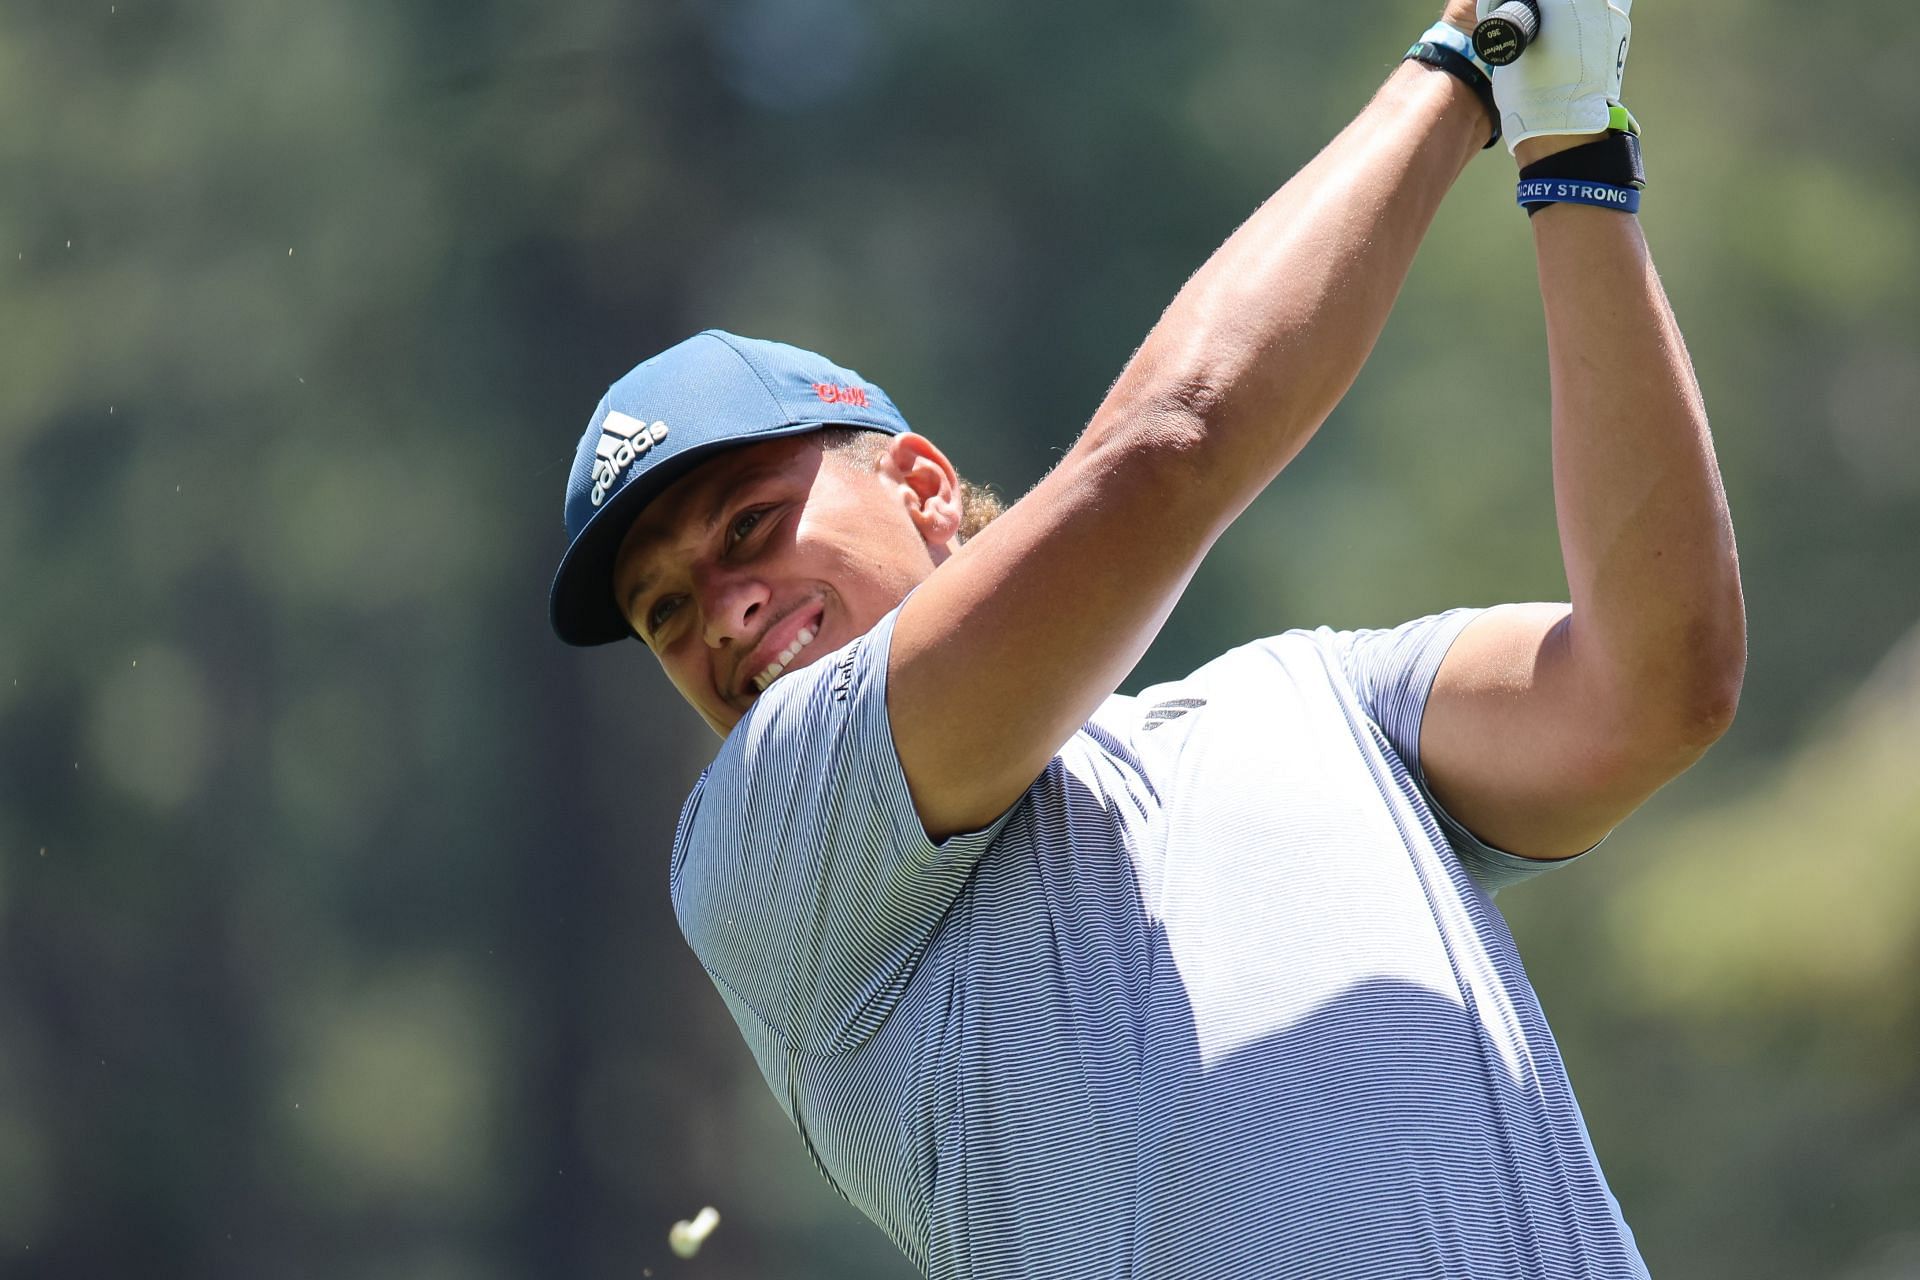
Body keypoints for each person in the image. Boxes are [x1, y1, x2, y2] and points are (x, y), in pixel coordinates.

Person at [548, 0, 1743, 1274]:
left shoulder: (1316, 694)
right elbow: (1171, 450)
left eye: (750, 526)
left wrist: (1571, 153)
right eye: (664, 611)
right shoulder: (760, 846)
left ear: (921, 486)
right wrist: (1468, 61)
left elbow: (1653, 686)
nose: (721, 612)